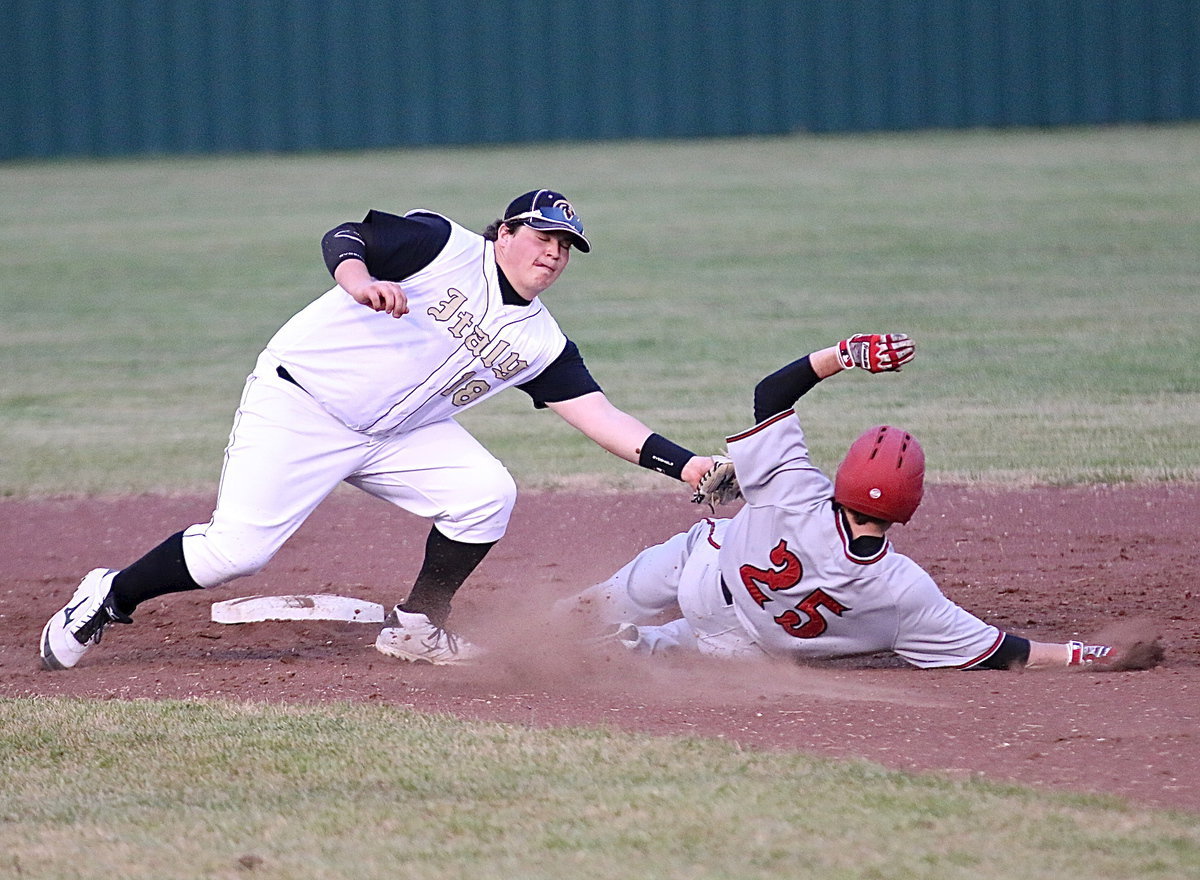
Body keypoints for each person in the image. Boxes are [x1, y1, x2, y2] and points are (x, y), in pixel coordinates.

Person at [41, 189, 717, 669]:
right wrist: (359, 279)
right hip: (300, 406)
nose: (553, 254)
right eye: (542, 237)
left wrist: (689, 467)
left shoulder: (540, 341)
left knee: (485, 493)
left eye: (565, 246)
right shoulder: (444, 245)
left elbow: (601, 418)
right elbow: (347, 235)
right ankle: (110, 595)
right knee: (235, 553)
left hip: (398, 435)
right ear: (504, 233)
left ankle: (419, 627)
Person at [557, 333, 1164, 672]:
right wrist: (1090, 653)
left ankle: (557, 629)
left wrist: (844, 356)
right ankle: (635, 649)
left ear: (842, 475)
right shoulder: (903, 589)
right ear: (914, 503)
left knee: (658, 572)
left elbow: (771, 392)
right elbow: (1002, 650)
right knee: (693, 648)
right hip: (751, 644)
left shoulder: (793, 487)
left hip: (707, 577)